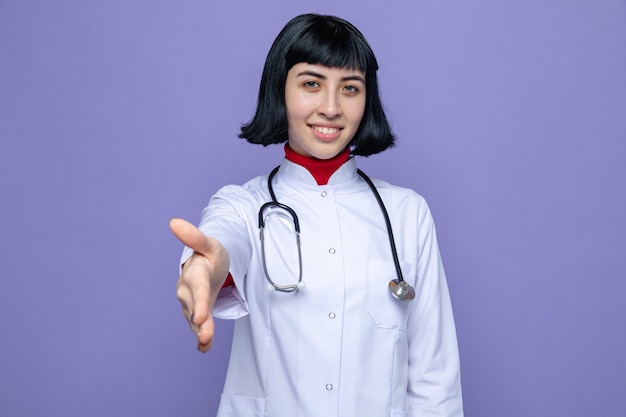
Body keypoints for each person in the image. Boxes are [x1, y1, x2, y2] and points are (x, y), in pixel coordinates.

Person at [170, 13, 463, 417]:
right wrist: (206, 267)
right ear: (280, 90)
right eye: (311, 84)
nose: (330, 108)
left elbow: (435, 377)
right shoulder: (243, 204)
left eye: (350, 88)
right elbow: (222, 240)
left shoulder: (407, 213)